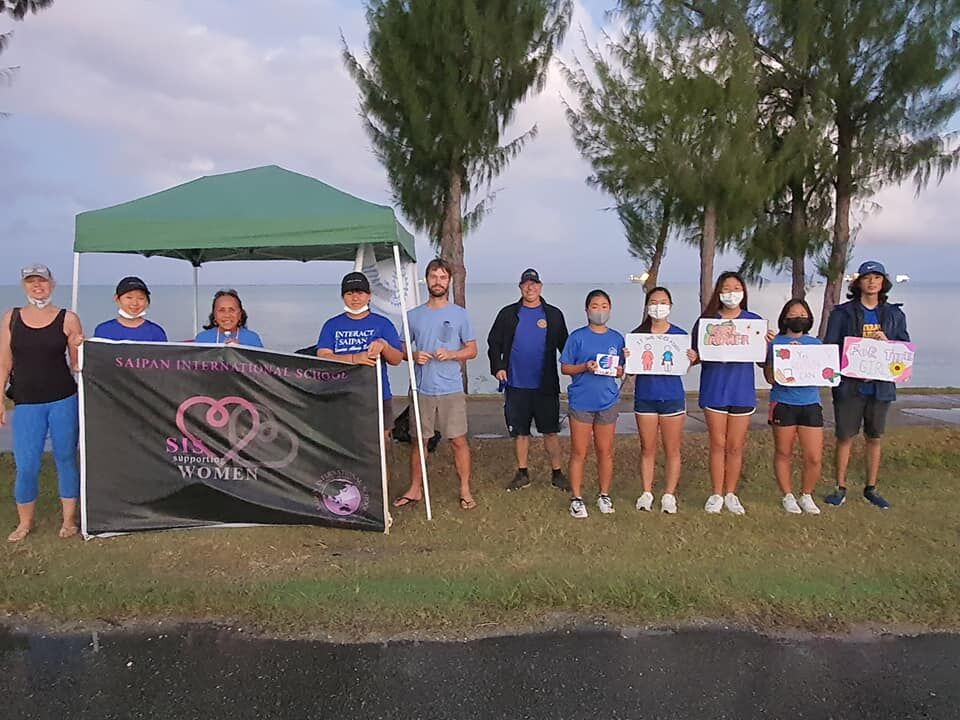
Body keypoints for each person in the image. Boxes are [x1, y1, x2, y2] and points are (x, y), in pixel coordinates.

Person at [0, 264, 84, 542]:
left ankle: (69, 521)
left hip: (63, 399)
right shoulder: (11, 317)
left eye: (43, 281)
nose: (38, 287)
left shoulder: (68, 318)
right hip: (25, 402)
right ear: (24, 286)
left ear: (53, 284)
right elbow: (4, 363)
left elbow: (78, 366)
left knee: (66, 459)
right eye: (31, 282)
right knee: (26, 464)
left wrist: (79, 344)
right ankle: (24, 523)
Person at [823, 260, 909, 509]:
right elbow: (831, 346)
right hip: (850, 386)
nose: (872, 282)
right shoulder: (842, 313)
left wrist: (888, 341)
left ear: (884, 283)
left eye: (877, 277)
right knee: (845, 437)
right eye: (867, 277)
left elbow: (904, 348)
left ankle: (871, 488)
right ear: (858, 282)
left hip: (880, 387)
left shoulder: (894, 313)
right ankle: (840, 487)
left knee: (874, 437)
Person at [394, 259, 478, 510]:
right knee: (419, 442)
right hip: (422, 390)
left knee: (458, 440)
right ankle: (415, 489)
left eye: (442, 277)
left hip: (451, 389)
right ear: (427, 279)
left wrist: (452, 354)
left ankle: (465, 489)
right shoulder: (413, 316)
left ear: (449, 281)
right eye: (433, 276)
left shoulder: (460, 315)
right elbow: (400, 349)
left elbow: (472, 350)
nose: (438, 281)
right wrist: (412, 354)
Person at [690, 271, 774, 515]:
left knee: (735, 446)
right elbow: (697, 356)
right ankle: (716, 493)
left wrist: (770, 345)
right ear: (719, 292)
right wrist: (692, 357)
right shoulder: (706, 321)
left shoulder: (753, 322)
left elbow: (762, 362)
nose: (731, 293)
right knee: (717, 444)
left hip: (742, 392)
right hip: (715, 390)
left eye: (736, 288)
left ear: (744, 292)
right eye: (726, 288)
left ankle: (731, 493)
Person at [486, 268, 570, 492]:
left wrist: (579, 369)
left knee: (550, 431)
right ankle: (522, 473)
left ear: (540, 287)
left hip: (546, 385)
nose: (530, 287)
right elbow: (493, 343)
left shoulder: (553, 314)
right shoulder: (508, 314)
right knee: (520, 432)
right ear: (520, 287)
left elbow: (567, 348)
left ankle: (557, 473)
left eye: (534, 284)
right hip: (516, 385)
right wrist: (498, 367)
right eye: (526, 284)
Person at [628, 286, 696, 514]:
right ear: (647, 307)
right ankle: (646, 492)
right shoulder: (638, 336)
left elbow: (687, 364)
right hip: (645, 398)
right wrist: (628, 358)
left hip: (672, 398)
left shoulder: (679, 335)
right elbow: (629, 370)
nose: (659, 306)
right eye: (654, 302)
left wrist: (693, 358)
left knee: (672, 449)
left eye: (663, 302)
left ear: (671, 306)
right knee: (647, 448)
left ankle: (669, 495)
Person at [560, 289, 625, 519]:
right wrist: (584, 367)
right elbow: (565, 367)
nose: (600, 310)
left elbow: (623, 370)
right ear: (587, 310)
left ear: (610, 309)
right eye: (595, 306)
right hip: (581, 401)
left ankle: (604, 494)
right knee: (579, 451)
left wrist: (620, 370)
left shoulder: (617, 338)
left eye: (604, 306)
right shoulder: (577, 337)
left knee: (605, 451)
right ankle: (576, 498)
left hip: (607, 401)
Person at [317, 272, 404, 434]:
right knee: (344, 437)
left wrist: (384, 345)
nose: (355, 298)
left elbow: (397, 359)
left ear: (369, 296)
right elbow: (323, 356)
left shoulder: (383, 324)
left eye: (360, 292)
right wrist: (355, 358)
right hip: (341, 394)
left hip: (378, 394)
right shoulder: (332, 325)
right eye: (349, 293)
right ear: (343, 297)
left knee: (379, 440)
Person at [763, 299, 823, 515]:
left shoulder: (817, 344)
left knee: (814, 456)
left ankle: (806, 494)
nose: (798, 318)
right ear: (785, 317)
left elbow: (825, 371)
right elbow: (770, 378)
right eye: (793, 314)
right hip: (783, 402)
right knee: (783, 451)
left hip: (811, 403)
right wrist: (772, 356)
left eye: (802, 314)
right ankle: (787, 495)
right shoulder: (774, 342)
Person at [93, 276, 168, 342]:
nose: (135, 303)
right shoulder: (103, 330)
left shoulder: (156, 332)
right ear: (117, 299)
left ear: (147, 302)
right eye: (129, 297)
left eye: (141, 298)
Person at [194, 289, 264, 347]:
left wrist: (241, 350)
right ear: (214, 315)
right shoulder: (202, 338)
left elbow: (261, 362)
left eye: (232, 310)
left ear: (240, 315)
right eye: (221, 310)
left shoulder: (252, 339)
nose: (227, 315)